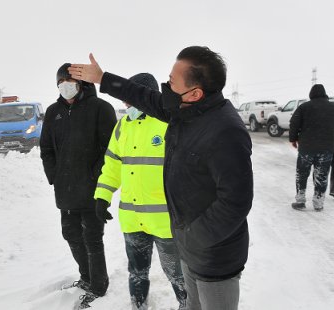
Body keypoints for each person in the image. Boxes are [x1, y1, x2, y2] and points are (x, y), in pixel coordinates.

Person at [69, 47, 253, 310]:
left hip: (214, 257)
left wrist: (192, 237)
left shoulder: (226, 131)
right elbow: (144, 97)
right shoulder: (183, 111)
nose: (166, 87)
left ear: (195, 93)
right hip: (188, 245)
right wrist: (103, 78)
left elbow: (235, 202)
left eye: (172, 82)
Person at [94, 73, 187, 310]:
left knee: (177, 273)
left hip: (165, 220)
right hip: (132, 218)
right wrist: (103, 196)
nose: (127, 104)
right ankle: (138, 305)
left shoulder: (169, 123)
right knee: (136, 272)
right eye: (125, 99)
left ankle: (188, 305)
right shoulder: (122, 126)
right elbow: (112, 164)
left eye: (130, 97)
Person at [40, 63, 117, 309]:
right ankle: (86, 277)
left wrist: (95, 178)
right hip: (65, 189)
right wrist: (55, 176)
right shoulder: (53, 112)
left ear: (81, 83)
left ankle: (99, 285)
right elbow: (46, 149)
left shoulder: (101, 108)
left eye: (69, 81)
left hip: (93, 189)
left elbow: (110, 150)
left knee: (92, 238)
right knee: (71, 235)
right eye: (60, 82)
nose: (65, 86)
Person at [289, 84, 334, 211]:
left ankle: (300, 201)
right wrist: (332, 136)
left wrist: (293, 139)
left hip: (306, 148)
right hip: (326, 149)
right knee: (322, 175)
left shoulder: (304, 107)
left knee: (302, 174)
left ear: (311, 94)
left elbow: (294, 123)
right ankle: (318, 203)